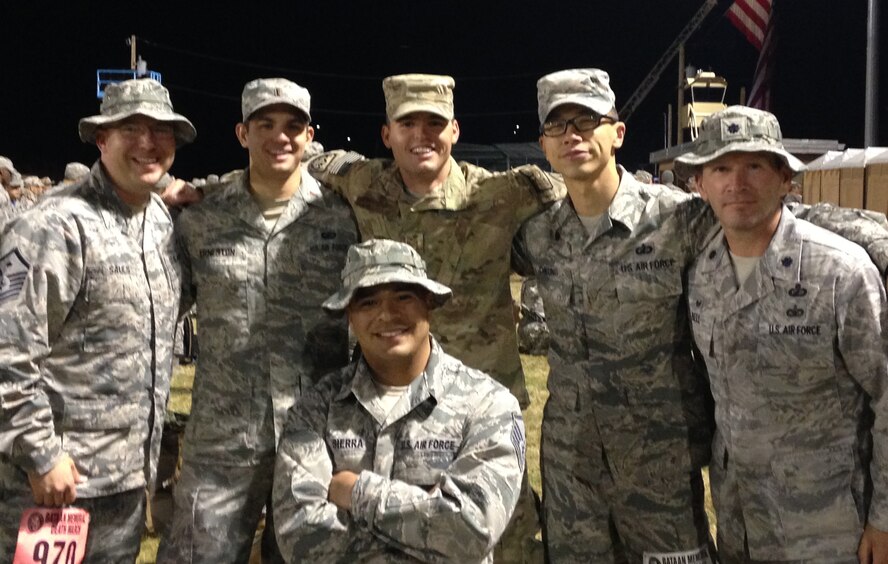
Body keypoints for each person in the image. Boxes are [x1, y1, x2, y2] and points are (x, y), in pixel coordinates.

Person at [513, 68, 888, 563]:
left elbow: (779, 223)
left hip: (662, 469)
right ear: (543, 144)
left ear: (617, 132)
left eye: (587, 120)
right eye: (558, 126)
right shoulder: (539, 236)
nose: (573, 135)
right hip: (573, 469)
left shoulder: (678, 218)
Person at [307, 74, 561, 561]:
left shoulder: (503, 194)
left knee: (506, 540)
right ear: (386, 134)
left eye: (434, 123)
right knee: (399, 534)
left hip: (483, 414)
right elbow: (282, 172)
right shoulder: (360, 184)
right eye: (407, 123)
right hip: (391, 412)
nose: (421, 135)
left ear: (455, 131)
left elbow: (587, 188)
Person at [157, 78, 358, 563]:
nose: (280, 136)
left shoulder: (343, 218)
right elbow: (159, 314)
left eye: (293, 126)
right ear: (242, 133)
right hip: (223, 439)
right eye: (264, 124)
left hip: (317, 435)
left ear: (310, 136)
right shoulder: (201, 220)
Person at [678, 105, 888, 562]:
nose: (738, 183)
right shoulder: (702, 274)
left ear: (784, 178)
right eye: (721, 168)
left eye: (755, 165)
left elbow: (886, 396)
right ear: (700, 184)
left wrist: (884, 519)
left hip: (828, 527)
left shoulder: (840, 273)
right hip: (741, 524)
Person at [0, 78, 194, 560]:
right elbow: (8, 349)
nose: (148, 143)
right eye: (132, 128)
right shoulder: (55, 225)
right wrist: (40, 454)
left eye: (161, 131)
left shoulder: (160, 222)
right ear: (102, 139)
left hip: (125, 482)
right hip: (55, 483)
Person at [272, 238, 525, 563]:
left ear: (428, 302)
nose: (387, 314)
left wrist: (355, 492)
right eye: (367, 303)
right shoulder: (317, 410)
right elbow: (301, 535)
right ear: (349, 315)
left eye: (403, 297)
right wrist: (428, 517)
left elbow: (469, 530)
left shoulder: (488, 405)